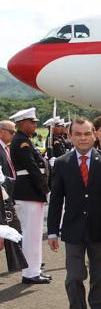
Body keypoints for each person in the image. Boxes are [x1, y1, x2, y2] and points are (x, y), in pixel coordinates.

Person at [47, 118, 101, 309]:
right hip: (73, 231)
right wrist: (52, 232)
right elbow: (56, 200)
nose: (83, 138)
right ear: (70, 136)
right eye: (78, 134)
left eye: (87, 133)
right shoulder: (61, 163)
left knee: (100, 279)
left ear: (94, 135)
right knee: (74, 278)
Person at [9, 107, 51, 284]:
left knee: (33, 234)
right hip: (29, 191)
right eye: (32, 123)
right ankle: (29, 273)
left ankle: (34, 270)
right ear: (22, 123)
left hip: (31, 191)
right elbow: (32, 167)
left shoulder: (24, 139)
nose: (34, 125)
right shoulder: (21, 141)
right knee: (31, 234)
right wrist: (45, 188)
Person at [0, 120, 26, 272]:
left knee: (12, 228)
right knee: (12, 227)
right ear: (1, 132)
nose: (13, 135)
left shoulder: (5, 148)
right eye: (11, 132)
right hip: (3, 196)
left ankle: (20, 260)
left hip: (6, 194)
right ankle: (21, 260)